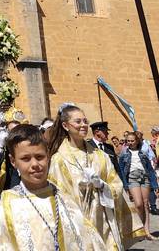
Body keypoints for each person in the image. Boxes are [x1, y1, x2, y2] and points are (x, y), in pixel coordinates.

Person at [0, 123, 106, 250]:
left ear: (48, 155)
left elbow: (90, 242)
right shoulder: (7, 207)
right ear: (13, 161)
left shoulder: (66, 200)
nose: (35, 164)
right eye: (25, 159)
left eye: (39, 157)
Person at [48, 103, 144, 250]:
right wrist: (81, 188)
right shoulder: (59, 159)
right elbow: (58, 198)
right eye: (78, 121)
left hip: (105, 220)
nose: (83, 125)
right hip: (79, 224)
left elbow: (116, 184)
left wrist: (103, 186)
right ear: (66, 126)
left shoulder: (101, 156)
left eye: (85, 121)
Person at [118, 131, 158, 240]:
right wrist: (125, 186)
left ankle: (147, 232)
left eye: (132, 140)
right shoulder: (123, 154)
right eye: (128, 141)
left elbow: (150, 170)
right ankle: (139, 229)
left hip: (144, 178)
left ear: (137, 141)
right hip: (132, 178)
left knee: (145, 204)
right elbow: (121, 170)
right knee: (138, 204)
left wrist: (155, 185)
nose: (130, 142)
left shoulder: (143, 153)